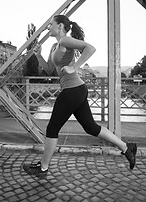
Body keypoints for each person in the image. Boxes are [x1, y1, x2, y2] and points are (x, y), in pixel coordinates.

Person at [23, 15, 137, 177]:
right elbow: (49, 69)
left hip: (72, 89)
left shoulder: (64, 41)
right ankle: (127, 148)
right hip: (76, 89)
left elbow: (90, 48)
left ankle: (43, 168)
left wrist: (75, 67)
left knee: (52, 128)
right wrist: (38, 55)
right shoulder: (55, 46)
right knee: (91, 127)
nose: (48, 28)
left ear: (60, 26)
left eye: (50, 25)